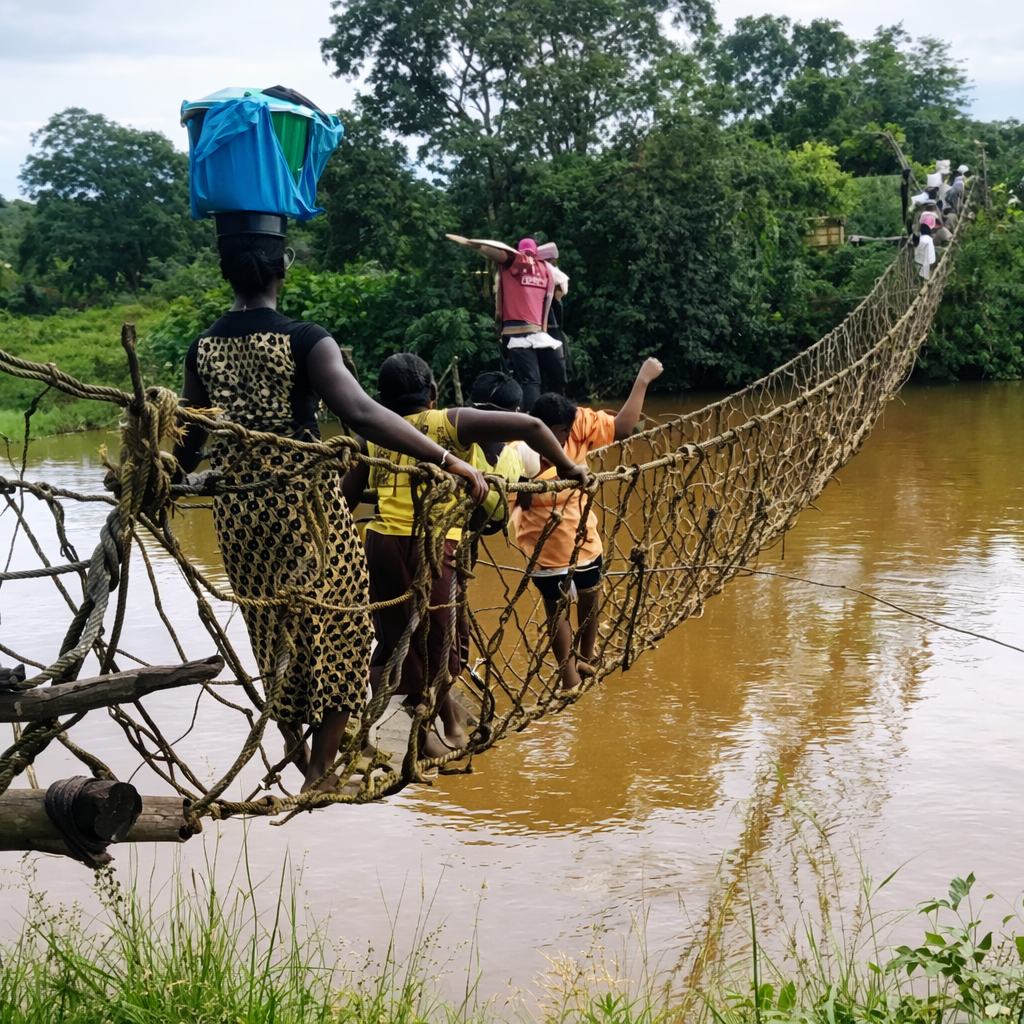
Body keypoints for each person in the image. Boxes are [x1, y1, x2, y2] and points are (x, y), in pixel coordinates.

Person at [173, 230, 489, 794]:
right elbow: (362, 413)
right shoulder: (305, 340)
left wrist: (160, 483)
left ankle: (303, 754)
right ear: (282, 271)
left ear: (228, 276)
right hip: (307, 510)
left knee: (274, 628)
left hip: (240, 517)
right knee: (343, 629)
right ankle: (321, 773)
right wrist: (447, 459)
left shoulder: (202, 347)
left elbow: (190, 439)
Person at [341, 354, 589, 757]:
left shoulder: (374, 434)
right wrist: (567, 465)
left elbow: (343, 500)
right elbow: (532, 425)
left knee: (398, 639)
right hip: (431, 545)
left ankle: (433, 725)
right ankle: (429, 734)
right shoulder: (449, 422)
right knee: (438, 644)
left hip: (381, 545)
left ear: (382, 400)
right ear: (434, 394)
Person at [510, 357, 664, 692]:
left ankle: (587, 658)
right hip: (544, 546)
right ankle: (568, 676)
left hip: (584, 538)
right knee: (557, 608)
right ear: (539, 427)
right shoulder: (519, 449)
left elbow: (622, 428)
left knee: (592, 595)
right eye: (559, 431)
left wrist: (642, 379)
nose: (566, 436)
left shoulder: (577, 424)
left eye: (567, 430)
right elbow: (505, 492)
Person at [489, 238, 565, 411]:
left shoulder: (515, 270)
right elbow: (562, 289)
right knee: (534, 379)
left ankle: (550, 412)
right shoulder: (542, 270)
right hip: (527, 332)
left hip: (532, 333)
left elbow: (498, 305)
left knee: (531, 379)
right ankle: (534, 418)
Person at [536, 242, 572, 380]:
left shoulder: (552, 278)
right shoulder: (551, 277)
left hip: (551, 330)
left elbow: (562, 290)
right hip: (545, 331)